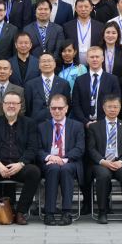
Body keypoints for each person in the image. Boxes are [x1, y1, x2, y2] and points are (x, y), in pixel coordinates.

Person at [0, 91, 41, 225]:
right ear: (3, 105)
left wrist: (21, 164)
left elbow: (33, 147)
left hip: (19, 166)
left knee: (34, 172)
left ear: (20, 106)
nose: (11, 106)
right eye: (8, 103)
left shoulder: (30, 124)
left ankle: (20, 212)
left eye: (14, 103)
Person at [87, 95, 122, 224]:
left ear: (120, 108)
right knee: (103, 175)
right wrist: (103, 162)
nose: (112, 109)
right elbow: (91, 149)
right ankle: (102, 211)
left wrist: (121, 162)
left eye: (116, 107)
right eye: (109, 107)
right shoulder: (94, 127)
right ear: (104, 108)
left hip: (121, 162)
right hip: (102, 163)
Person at [38, 94, 84, 226]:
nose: (57, 111)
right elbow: (38, 149)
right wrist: (50, 157)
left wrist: (64, 159)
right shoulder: (42, 126)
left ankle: (67, 212)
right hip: (50, 162)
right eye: (53, 108)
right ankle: (49, 213)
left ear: (66, 109)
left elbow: (80, 148)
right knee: (53, 169)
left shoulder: (77, 126)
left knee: (65, 169)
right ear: (49, 109)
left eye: (60, 108)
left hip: (70, 162)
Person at [71, 46, 121, 124]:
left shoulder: (112, 79)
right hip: (83, 124)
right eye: (92, 57)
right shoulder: (79, 80)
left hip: (104, 124)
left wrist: (100, 122)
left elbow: (116, 103)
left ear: (102, 59)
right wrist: (85, 122)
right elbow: (75, 104)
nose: (94, 59)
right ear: (87, 59)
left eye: (97, 57)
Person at [24, 52, 70, 123]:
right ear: (39, 65)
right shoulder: (30, 84)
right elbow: (28, 107)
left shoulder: (64, 84)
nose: (46, 64)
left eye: (49, 61)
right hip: (36, 123)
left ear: (54, 64)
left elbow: (67, 105)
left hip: (57, 123)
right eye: (43, 61)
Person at [63, 0, 105, 65]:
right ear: (76, 9)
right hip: (74, 65)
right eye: (80, 7)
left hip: (94, 63)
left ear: (91, 8)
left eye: (86, 6)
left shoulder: (100, 26)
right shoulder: (67, 26)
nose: (83, 9)